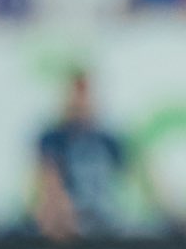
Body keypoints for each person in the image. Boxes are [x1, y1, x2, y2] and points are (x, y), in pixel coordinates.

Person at [33, 71, 131, 238]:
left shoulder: (109, 140)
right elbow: (50, 184)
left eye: (86, 94)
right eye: (77, 94)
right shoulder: (54, 139)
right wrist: (60, 214)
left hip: (105, 221)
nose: (81, 101)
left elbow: (137, 180)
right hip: (69, 222)